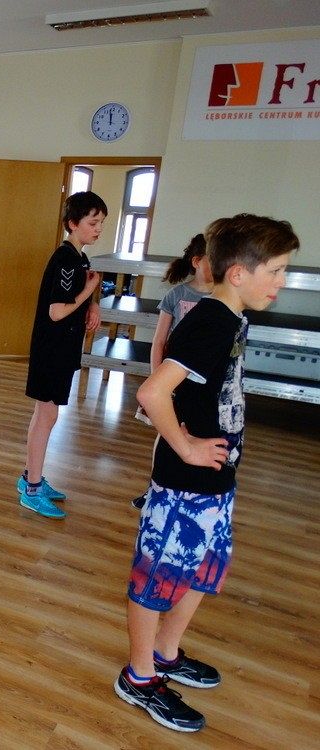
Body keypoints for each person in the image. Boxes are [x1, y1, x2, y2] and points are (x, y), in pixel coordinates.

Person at [115, 214, 298, 733]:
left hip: (216, 479)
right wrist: (187, 447)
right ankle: (139, 676)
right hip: (184, 482)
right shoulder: (211, 321)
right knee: (158, 577)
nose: (282, 281)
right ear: (238, 273)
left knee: (204, 569)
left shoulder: (232, 317)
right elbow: (152, 393)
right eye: (276, 270)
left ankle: (166, 652)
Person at [18, 191, 106, 519]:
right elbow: (56, 311)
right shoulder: (65, 259)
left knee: (47, 415)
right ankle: (32, 489)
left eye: (101, 223)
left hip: (63, 350)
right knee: (46, 416)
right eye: (92, 223)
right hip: (51, 351)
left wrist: (92, 304)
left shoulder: (79, 258)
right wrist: (88, 293)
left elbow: (80, 290)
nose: (98, 229)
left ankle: (30, 477)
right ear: (72, 223)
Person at [132, 233, 213, 509]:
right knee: (168, 435)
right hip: (174, 381)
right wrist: (157, 379)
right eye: (213, 261)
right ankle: (154, 490)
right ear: (197, 262)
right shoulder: (176, 295)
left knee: (198, 435)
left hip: (205, 384)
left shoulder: (222, 298)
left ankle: (190, 495)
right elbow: (159, 342)